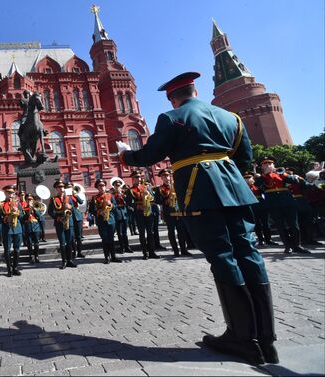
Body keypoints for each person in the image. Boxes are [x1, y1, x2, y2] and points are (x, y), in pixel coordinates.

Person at [118, 72, 278, 365]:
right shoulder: (232, 119)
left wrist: (126, 156)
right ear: (196, 90)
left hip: (199, 190)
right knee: (249, 253)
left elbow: (150, 155)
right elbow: (244, 159)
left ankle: (242, 338)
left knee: (223, 256)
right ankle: (266, 340)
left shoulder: (172, 118)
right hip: (236, 191)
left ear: (172, 97)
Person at [255, 157, 310, 254]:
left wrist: (282, 174)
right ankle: (287, 246)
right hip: (273, 204)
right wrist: (264, 175)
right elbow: (257, 185)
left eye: (270, 163)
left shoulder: (281, 174)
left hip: (288, 202)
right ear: (262, 167)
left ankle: (297, 245)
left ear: (274, 165)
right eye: (265, 164)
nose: (268, 165)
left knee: (294, 225)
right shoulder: (261, 178)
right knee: (280, 227)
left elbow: (294, 180)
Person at [153, 169, 191, 257]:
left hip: (178, 211)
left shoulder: (175, 186)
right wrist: (165, 201)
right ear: (162, 178)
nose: (167, 178)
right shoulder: (160, 189)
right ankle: (175, 251)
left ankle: (183, 249)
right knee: (171, 232)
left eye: (168, 175)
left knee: (181, 231)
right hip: (168, 212)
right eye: (165, 176)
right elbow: (157, 200)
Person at [125, 170, 159, 259]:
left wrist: (149, 194)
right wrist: (137, 206)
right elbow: (128, 203)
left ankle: (152, 252)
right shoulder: (131, 190)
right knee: (142, 234)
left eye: (140, 177)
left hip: (149, 211)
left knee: (150, 233)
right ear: (133, 179)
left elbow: (153, 199)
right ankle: (145, 253)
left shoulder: (146, 187)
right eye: (136, 177)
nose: (139, 179)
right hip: (139, 213)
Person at [89, 179, 121, 264]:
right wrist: (99, 212)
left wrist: (111, 204)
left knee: (111, 239)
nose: (102, 187)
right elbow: (91, 210)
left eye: (103, 185)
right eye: (100, 186)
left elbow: (116, 206)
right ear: (97, 187)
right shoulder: (94, 198)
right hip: (101, 221)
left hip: (111, 219)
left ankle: (113, 256)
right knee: (105, 239)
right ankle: (107, 257)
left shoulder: (110, 196)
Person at [0, 185, 24, 277]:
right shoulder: (0, 204)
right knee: (7, 250)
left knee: (17, 249)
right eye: (9, 193)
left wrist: (18, 212)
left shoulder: (17, 203)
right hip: (7, 229)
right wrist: (4, 220)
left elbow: (23, 217)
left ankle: (15, 267)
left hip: (17, 228)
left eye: (12, 193)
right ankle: (9, 269)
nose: (11, 195)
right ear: (5, 194)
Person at [47, 180, 76, 269]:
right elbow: (50, 211)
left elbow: (74, 210)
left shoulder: (69, 198)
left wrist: (70, 207)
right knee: (62, 243)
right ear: (56, 189)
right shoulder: (53, 199)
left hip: (69, 222)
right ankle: (64, 261)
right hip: (59, 222)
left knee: (69, 242)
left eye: (63, 187)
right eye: (59, 187)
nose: (62, 189)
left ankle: (70, 260)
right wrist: (56, 217)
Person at [243, 172, 277, 246]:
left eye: (249, 177)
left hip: (262, 206)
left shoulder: (257, 186)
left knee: (266, 224)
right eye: (246, 178)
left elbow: (265, 190)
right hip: (251, 207)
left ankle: (268, 239)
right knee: (257, 225)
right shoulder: (243, 187)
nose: (248, 179)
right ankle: (261, 240)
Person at [110, 179, 133, 254]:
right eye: (116, 185)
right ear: (114, 186)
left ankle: (127, 247)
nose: (118, 187)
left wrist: (123, 196)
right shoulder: (112, 195)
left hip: (124, 213)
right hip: (117, 214)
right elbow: (113, 205)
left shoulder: (123, 193)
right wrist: (117, 196)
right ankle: (122, 247)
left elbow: (128, 202)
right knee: (119, 233)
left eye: (119, 185)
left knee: (125, 232)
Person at [66, 182, 86, 259]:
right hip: (70, 217)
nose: (70, 188)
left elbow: (81, 202)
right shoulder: (66, 197)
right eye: (68, 187)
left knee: (79, 236)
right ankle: (74, 251)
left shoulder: (75, 196)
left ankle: (79, 252)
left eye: (71, 187)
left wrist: (75, 195)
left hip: (78, 217)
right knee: (72, 236)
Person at [23, 193, 42, 263]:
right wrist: (28, 213)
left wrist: (34, 209)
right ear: (26, 200)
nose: (30, 200)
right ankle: (31, 256)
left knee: (36, 242)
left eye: (31, 199)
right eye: (28, 199)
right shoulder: (23, 208)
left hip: (36, 226)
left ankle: (36, 256)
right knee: (29, 243)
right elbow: (22, 218)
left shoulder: (36, 206)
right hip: (28, 226)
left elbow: (39, 216)